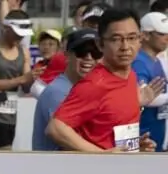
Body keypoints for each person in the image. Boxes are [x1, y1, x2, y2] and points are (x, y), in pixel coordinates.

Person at [47, 8, 159, 152]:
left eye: (131, 38)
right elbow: (55, 128)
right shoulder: (94, 84)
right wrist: (101, 155)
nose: (125, 47)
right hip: (94, 172)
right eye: (116, 39)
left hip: (123, 169)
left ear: (140, 40)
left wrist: (136, 146)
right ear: (100, 44)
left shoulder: (131, 75)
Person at [32, 29, 100, 151]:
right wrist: (107, 155)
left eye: (96, 53)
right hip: (56, 167)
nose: (89, 57)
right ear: (67, 56)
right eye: (81, 52)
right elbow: (65, 139)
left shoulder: (83, 89)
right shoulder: (58, 92)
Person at [0, 11, 34, 150]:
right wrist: (22, 79)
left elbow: (27, 87)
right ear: (5, 28)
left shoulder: (24, 51)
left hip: (11, 115)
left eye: (23, 34)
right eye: (17, 33)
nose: (21, 36)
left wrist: (34, 77)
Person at [132, 11, 168, 151]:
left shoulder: (157, 60)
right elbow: (144, 97)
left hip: (158, 135)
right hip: (145, 138)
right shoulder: (139, 62)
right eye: (161, 34)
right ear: (145, 35)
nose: (167, 38)